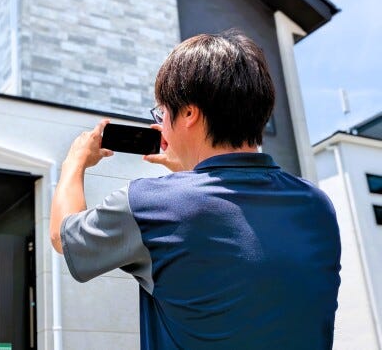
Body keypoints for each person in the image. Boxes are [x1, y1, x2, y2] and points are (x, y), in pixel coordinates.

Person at [49, 30, 341, 349]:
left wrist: (73, 161)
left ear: (189, 113)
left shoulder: (149, 205)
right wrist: (189, 172)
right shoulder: (316, 205)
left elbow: (63, 236)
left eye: (162, 113)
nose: (162, 124)